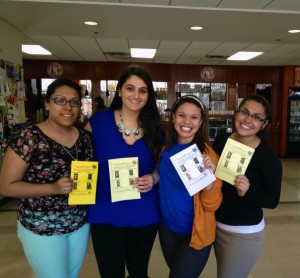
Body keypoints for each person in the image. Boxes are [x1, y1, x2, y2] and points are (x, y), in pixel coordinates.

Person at [0, 78, 95, 278]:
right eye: (60, 100)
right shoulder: (29, 137)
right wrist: (52, 188)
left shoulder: (85, 138)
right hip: (41, 226)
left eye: (75, 102)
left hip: (79, 224)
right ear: (47, 103)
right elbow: (6, 187)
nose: (68, 107)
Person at [85, 65, 164, 278]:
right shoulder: (98, 122)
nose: (136, 95)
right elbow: (82, 159)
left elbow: (163, 166)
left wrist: (154, 177)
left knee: (139, 273)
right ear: (119, 91)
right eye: (130, 88)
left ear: (149, 95)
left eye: (142, 90)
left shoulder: (156, 128)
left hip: (144, 213)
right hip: (105, 212)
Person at [213, 94, 282, 278]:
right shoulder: (222, 140)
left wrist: (247, 192)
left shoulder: (268, 158)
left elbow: (272, 200)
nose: (248, 120)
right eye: (245, 112)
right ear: (237, 113)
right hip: (215, 225)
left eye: (256, 117)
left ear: (263, 124)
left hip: (243, 232)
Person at [157, 95, 223, 278]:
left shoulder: (208, 157)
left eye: (194, 117)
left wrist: (209, 184)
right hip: (167, 230)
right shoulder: (165, 149)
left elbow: (212, 206)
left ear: (201, 122)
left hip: (195, 233)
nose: (187, 122)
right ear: (173, 117)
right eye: (181, 115)